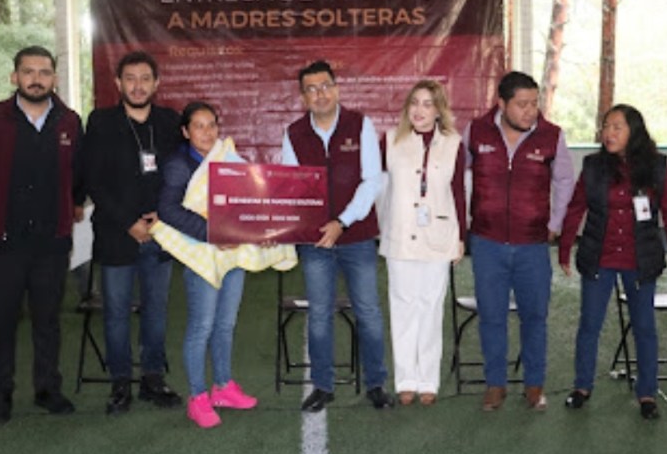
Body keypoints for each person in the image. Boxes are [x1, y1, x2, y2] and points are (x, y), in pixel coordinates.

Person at [0, 45, 84, 425]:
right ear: (14, 76)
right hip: (3, 240)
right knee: (2, 321)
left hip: (52, 242)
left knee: (47, 320)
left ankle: (47, 390)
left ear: (54, 78)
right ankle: (0, 394)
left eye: (45, 72)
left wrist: (69, 205)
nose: (37, 79)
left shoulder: (70, 122)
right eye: (29, 71)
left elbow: (78, 174)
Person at [559, 104, 667, 420]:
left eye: (617, 127)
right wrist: (564, 248)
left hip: (640, 260)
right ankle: (582, 387)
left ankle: (647, 393)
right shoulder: (593, 166)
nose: (608, 133)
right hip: (599, 258)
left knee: (644, 327)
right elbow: (576, 207)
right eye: (606, 126)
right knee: (589, 325)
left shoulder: (657, 168)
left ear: (634, 132)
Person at [154, 101, 284, 429]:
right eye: (198, 126)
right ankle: (198, 397)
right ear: (186, 132)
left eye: (211, 125)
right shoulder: (178, 165)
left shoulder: (228, 159)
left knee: (226, 324)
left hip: (232, 252)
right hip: (202, 254)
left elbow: (248, 202)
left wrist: (263, 230)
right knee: (202, 326)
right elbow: (168, 210)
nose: (207, 132)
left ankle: (223, 387)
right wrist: (213, 232)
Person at [281, 60, 394, 412]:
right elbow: (291, 185)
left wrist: (341, 222)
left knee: (368, 311)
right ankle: (323, 386)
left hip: (357, 237)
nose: (320, 94)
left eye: (325, 86)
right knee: (319, 314)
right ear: (303, 97)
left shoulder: (360, 125)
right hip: (315, 241)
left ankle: (376, 384)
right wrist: (310, 225)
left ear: (337, 88)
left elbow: (371, 180)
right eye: (311, 89)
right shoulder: (294, 133)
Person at [466, 70, 575, 412]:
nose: (530, 111)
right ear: (502, 104)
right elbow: (454, 176)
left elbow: (565, 181)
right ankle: (495, 385)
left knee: (535, 317)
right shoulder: (475, 131)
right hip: (487, 243)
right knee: (491, 317)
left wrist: (555, 223)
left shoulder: (552, 136)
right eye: (522, 104)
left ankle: (534, 385)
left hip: (533, 245)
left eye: (534, 104)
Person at [84, 50, 183, 414]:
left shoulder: (170, 122)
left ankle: (153, 379)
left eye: (145, 79)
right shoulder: (101, 122)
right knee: (116, 312)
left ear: (156, 83)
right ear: (118, 83)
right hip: (116, 233)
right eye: (130, 79)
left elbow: (181, 175)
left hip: (160, 234)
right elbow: (94, 179)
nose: (138, 86)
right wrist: (129, 222)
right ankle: (120, 383)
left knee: (156, 311)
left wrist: (162, 218)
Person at [378, 80, 466, 406]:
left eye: (428, 104)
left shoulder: (454, 144)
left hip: (438, 236)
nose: (419, 110)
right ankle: (406, 379)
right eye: (415, 102)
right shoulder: (390, 141)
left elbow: (458, 193)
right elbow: (377, 188)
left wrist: (461, 237)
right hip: (400, 235)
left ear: (439, 110)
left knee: (430, 306)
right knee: (403, 306)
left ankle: (428, 379)